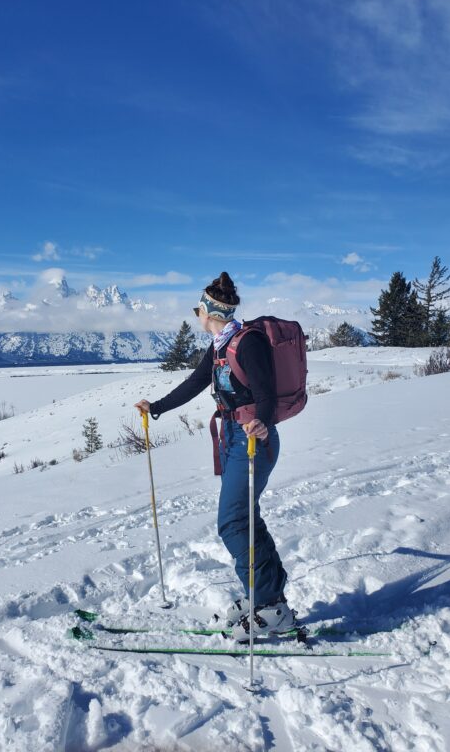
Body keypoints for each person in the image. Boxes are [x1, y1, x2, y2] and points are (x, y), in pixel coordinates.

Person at [134, 272, 297, 641]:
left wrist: (263, 422)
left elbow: (267, 393)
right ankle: (267, 597)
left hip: (253, 441)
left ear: (209, 312)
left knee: (232, 522)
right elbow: (195, 382)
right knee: (246, 518)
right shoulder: (221, 344)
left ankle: (271, 604)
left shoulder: (247, 342)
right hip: (232, 438)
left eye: (198, 309)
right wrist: (156, 406)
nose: (196, 315)